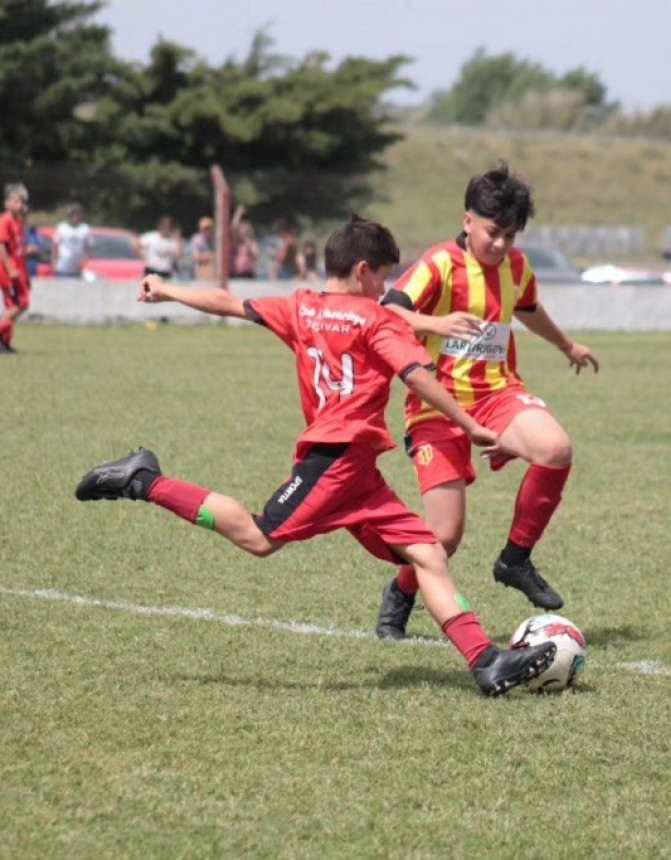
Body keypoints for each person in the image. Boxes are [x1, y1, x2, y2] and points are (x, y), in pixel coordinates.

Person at [74, 215, 556, 697]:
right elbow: (417, 375)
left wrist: (167, 289)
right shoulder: (377, 318)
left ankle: (486, 662)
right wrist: (470, 424)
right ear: (364, 271)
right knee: (258, 536)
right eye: (384, 277)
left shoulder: (300, 307)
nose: (385, 288)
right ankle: (143, 480)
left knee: (428, 552)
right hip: (334, 461)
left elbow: (225, 301)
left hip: (359, 469)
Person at [375, 162, 599, 640]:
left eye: (510, 236)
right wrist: (437, 324)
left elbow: (530, 309)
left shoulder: (517, 267)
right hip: (437, 406)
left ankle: (515, 558)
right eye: (493, 233)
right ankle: (400, 595)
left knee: (556, 449)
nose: (500, 245)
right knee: (444, 538)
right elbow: (387, 312)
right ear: (467, 220)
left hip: (499, 394)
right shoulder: (438, 264)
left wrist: (566, 345)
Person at [0, 183, 31, 353]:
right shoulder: (4, 221)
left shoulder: (18, 223)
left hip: (19, 272)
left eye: (22, 202)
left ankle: (4, 343)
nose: (20, 205)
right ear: (7, 203)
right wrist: (10, 268)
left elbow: (18, 250)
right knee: (22, 303)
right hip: (8, 273)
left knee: (12, 306)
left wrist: (25, 274)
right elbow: (2, 247)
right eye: (16, 201)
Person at [52, 203, 94, 277]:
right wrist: (54, 262)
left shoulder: (85, 229)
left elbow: (89, 248)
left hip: (77, 269)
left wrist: (83, 262)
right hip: (62, 268)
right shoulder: (62, 227)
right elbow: (55, 246)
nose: (74, 218)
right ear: (68, 216)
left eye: (77, 215)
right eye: (72, 215)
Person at [230, 205, 259, 279]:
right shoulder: (235, 241)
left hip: (247, 273)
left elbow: (255, 256)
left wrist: (246, 239)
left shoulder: (252, 242)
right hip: (234, 273)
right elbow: (233, 227)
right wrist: (238, 214)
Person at [189, 216, 216, 281]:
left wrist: (205, 256)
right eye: (205, 229)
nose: (207, 231)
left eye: (209, 229)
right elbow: (196, 257)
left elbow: (220, 257)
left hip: (212, 273)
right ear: (200, 230)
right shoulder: (196, 239)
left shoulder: (215, 240)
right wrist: (211, 256)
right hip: (198, 272)